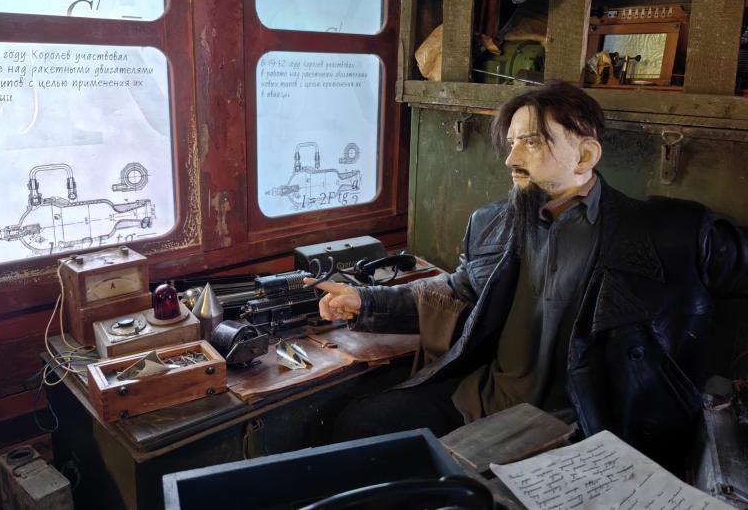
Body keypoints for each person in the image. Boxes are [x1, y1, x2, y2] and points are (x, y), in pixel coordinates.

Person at [304, 80, 748, 467]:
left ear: (585, 154)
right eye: (512, 142)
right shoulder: (492, 222)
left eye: (530, 142)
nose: (511, 158)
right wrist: (365, 301)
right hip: (487, 399)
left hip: (588, 419)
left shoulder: (674, 234)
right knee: (361, 425)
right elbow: (458, 291)